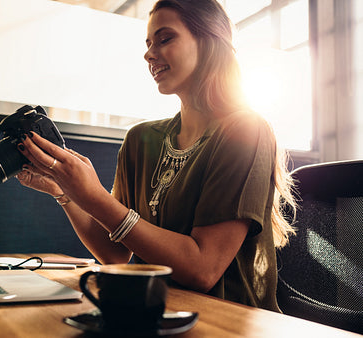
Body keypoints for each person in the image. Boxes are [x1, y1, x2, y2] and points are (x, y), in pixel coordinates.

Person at [16, 0, 296, 311]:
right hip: (154, 310)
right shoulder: (141, 138)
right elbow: (115, 254)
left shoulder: (245, 130)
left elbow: (203, 269)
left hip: (226, 319)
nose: (149, 54)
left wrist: (93, 196)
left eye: (165, 39)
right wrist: (65, 192)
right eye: (149, 44)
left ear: (209, 43)